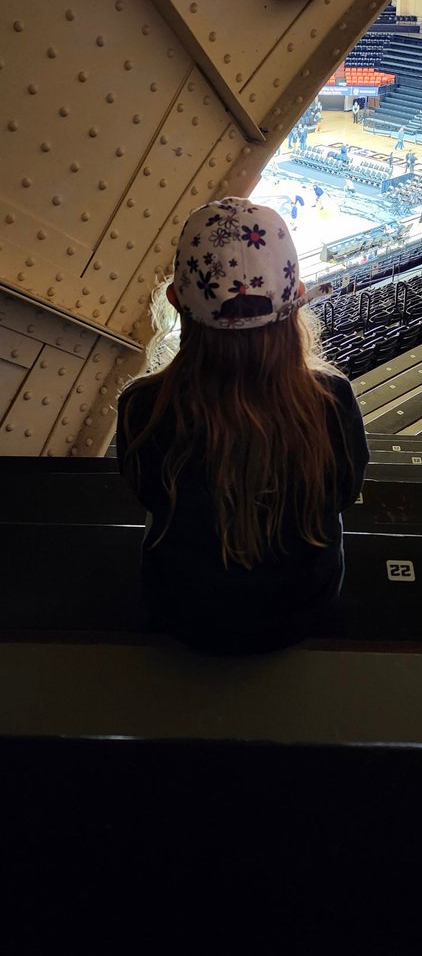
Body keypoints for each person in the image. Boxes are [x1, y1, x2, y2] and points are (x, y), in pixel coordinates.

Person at [116, 198, 369, 656]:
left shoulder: (142, 407)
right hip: (304, 608)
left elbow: (145, 493)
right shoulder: (332, 402)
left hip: (181, 609)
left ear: (175, 301)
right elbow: (345, 493)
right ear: (297, 300)